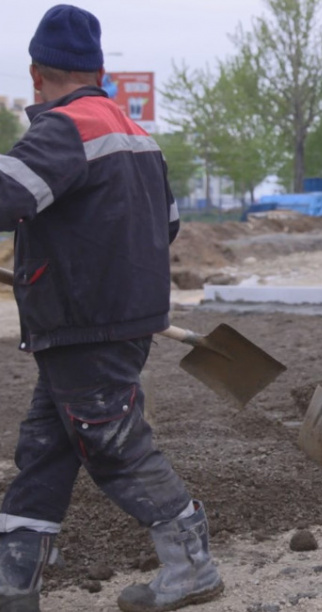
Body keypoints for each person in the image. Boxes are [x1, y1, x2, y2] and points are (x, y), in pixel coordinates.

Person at [0, 6, 222, 611]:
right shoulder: (135, 133)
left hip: (82, 322)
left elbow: (7, 196)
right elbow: (169, 224)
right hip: (109, 318)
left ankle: (192, 564)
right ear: (99, 70)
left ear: (35, 73)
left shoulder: (63, 130)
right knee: (46, 446)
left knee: (111, 441)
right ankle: (15, 581)